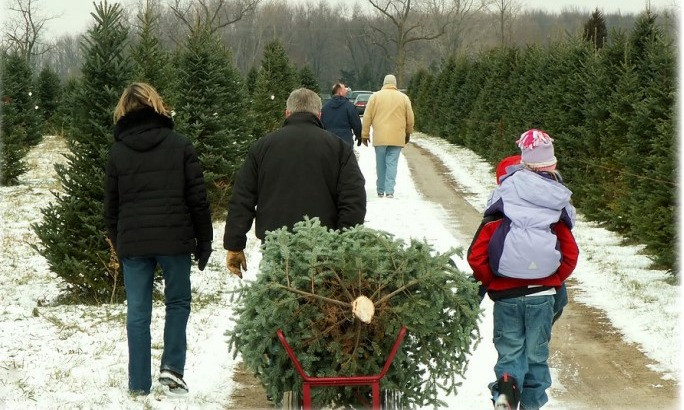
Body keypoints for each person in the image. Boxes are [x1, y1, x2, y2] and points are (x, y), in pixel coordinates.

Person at [104, 83, 213, 397]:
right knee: (177, 302)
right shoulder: (179, 144)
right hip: (174, 240)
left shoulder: (118, 151)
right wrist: (204, 241)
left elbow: (110, 206)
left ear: (124, 109)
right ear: (156, 105)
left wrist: (119, 240)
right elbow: (198, 199)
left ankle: (138, 383)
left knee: (138, 312)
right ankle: (172, 369)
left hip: (134, 243)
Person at [467, 129, 579, 410]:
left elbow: (478, 255)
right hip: (542, 296)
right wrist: (554, 278)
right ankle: (531, 406)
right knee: (536, 357)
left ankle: (505, 392)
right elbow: (570, 254)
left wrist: (492, 281)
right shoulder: (555, 205)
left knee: (510, 355)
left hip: (506, 297)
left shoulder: (502, 202)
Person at [223, 88, 366, 278]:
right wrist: (343, 242)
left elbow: (242, 198)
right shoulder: (338, 148)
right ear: (319, 114)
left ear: (287, 113)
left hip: (276, 245)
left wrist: (234, 245)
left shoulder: (263, 147)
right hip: (323, 248)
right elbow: (353, 199)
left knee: (276, 300)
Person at [360, 74, 414, 198]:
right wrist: (408, 132)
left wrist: (365, 134)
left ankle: (380, 189)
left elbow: (367, 117)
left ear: (384, 83)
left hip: (380, 137)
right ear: (395, 84)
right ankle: (389, 190)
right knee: (392, 164)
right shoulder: (404, 98)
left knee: (380, 163)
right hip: (397, 136)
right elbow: (410, 118)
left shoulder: (375, 97)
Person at [320, 82, 363, 146]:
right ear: (340, 92)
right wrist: (359, 136)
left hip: (329, 141)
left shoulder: (325, 108)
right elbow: (356, 123)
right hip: (345, 141)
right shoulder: (349, 107)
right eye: (344, 89)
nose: (346, 91)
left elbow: (321, 124)